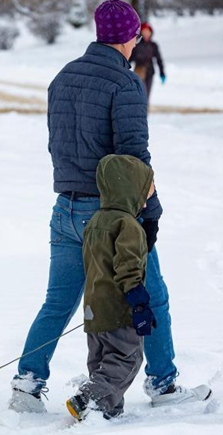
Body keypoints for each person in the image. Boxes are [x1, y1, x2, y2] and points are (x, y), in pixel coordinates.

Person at [9, 0, 210, 415]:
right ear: (127, 36)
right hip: (111, 217)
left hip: (64, 210)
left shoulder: (62, 77)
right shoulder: (125, 82)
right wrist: (149, 213)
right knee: (151, 297)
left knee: (58, 302)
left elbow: (56, 143)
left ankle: (27, 386)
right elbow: (134, 158)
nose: (138, 40)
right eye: (136, 34)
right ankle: (164, 383)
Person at [66, 154, 157, 420]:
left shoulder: (95, 221)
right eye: (144, 192)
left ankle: (106, 411)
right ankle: (89, 399)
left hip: (94, 307)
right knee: (127, 358)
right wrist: (138, 302)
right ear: (128, 189)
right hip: (119, 308)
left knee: (101, 362)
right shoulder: (127, 225)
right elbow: (128, 266)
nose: (146, 200)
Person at [129, 22, 165, 103]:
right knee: (142, 94)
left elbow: (159, 60)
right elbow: (130, 59)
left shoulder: (153, 45)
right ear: (141, 32)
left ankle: (145, 114)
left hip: (150, 72)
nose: (146, 33)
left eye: (148, 31)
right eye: (144, 31)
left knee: (147, 96)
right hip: (139, 72)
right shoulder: (136, 45)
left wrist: (162, 73)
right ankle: (139, 111)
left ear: (151, 32)